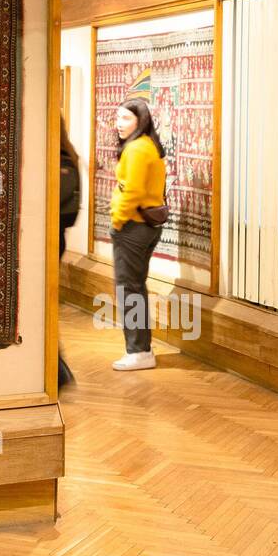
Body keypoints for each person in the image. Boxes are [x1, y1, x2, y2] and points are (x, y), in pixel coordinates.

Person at [109, 97, 166, 372]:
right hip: (146, 226)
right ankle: (141, 348)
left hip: (132, 226)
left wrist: (118, 221)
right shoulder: (148, 147)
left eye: (126, 118)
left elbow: (131, 191)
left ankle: (139, 351)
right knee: (135, 288)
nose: (119, 123)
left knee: (129, 289)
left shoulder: (136, 150)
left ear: (140, 120)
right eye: (118, 117)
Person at [57, 115, 81, 387]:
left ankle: (58, 371)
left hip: (52, 239)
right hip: (56, 238)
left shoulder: (61, 161)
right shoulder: (67, 156)